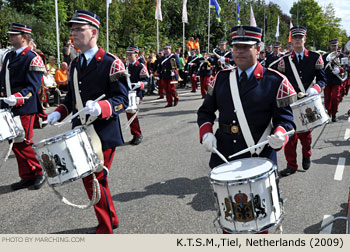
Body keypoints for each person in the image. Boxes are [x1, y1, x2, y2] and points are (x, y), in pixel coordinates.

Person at [197, 26, 296, 234]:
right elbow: (205, 112)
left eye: (245, 47)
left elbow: (286, 119)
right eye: (235, 47)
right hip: (225, 157)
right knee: (230, 222)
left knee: (259, 223)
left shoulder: (274, 80)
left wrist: (281, 134)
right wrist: (206, 132)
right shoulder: (221, 79)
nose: (239, 51)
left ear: (258, 49)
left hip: (259, 157)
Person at [46, 10, 129, 234]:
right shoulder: (75, 64)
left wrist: (102, 107)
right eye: (72, 29)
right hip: (80, 132)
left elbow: (123, 100)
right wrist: (59, 112)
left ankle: (106, 227)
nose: (73, 34)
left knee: (94, 179)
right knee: (94, 180)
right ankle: (110, 217)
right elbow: (71, 99)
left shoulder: (111, 62)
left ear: (93, 32)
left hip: (103, 132)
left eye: (78, 29)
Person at [0, 23, 46, 190]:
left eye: (14, 35)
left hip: (25, 106)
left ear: (24, 37)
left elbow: (33, 87)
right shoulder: (8, 56)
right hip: (8, 107)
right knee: (15, 142)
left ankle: (40, 171)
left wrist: (18, 98)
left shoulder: (33, 57)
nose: (11, 37)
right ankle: (27, 175)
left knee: (24, 141)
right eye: (11, 34)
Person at [276, 26, 327, 176]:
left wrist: (316, 88)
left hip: (307, 102)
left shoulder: (314, 57)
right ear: (292, 40)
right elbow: (278, 81)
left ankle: (307, 154)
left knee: (306, 135)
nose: (298, 40)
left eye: (300, 37)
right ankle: (291, 165)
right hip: (290, 104)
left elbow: (323, 79)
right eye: (295, 38)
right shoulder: (284, 61)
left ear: (305, 39)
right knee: (290, 136)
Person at [126, 46, 149, 145]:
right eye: (128, 55)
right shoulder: (127, 66)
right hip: (128, 92)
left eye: (131, 55)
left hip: (136, 93)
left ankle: (138, 134)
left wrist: (141, 84)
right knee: (129, 114)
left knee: (133, 114)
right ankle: (135, 134)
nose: (129, 57)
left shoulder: (140, 66)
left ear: (136, 55)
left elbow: (147, 80)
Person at [323, 39, 346, 122]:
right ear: (330, 46)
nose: (334, 47)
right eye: (332, 45)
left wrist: (340, 70)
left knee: (335, 98)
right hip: (327, 80)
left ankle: (334, 114)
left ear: (337, 45)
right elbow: (321, 68)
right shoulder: (325, 57)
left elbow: (346, 67)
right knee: (327, 98)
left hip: (337, 80)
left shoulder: (342, 56)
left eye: (335, 45)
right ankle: (328, 114)